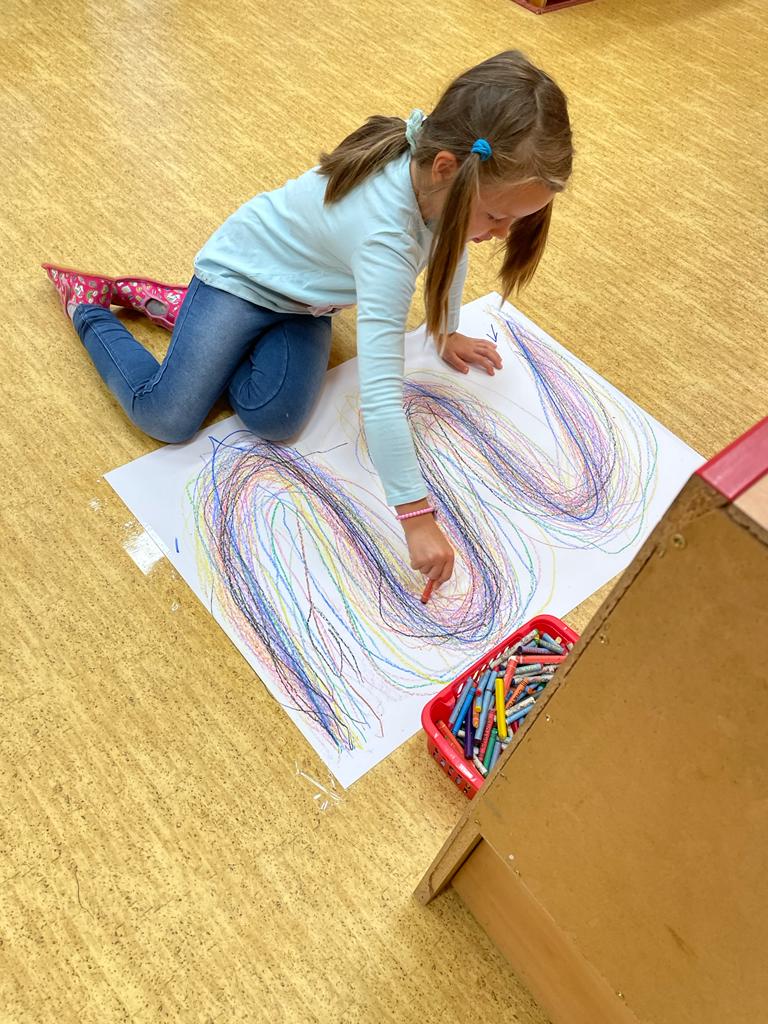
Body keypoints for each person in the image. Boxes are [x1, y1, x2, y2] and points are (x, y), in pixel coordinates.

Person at [43, 50, 572, 590]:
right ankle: (91, 306)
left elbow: (452, 245)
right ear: (446, 168)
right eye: (497, 216)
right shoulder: (385, 240)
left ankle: (198, 326)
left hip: (307, 303)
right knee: (168, 418)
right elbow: (380, 396)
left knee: (275, 420)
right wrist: (415, 516)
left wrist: (446, 328)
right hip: (239, 278)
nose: (500, 233)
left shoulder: (440, 184)